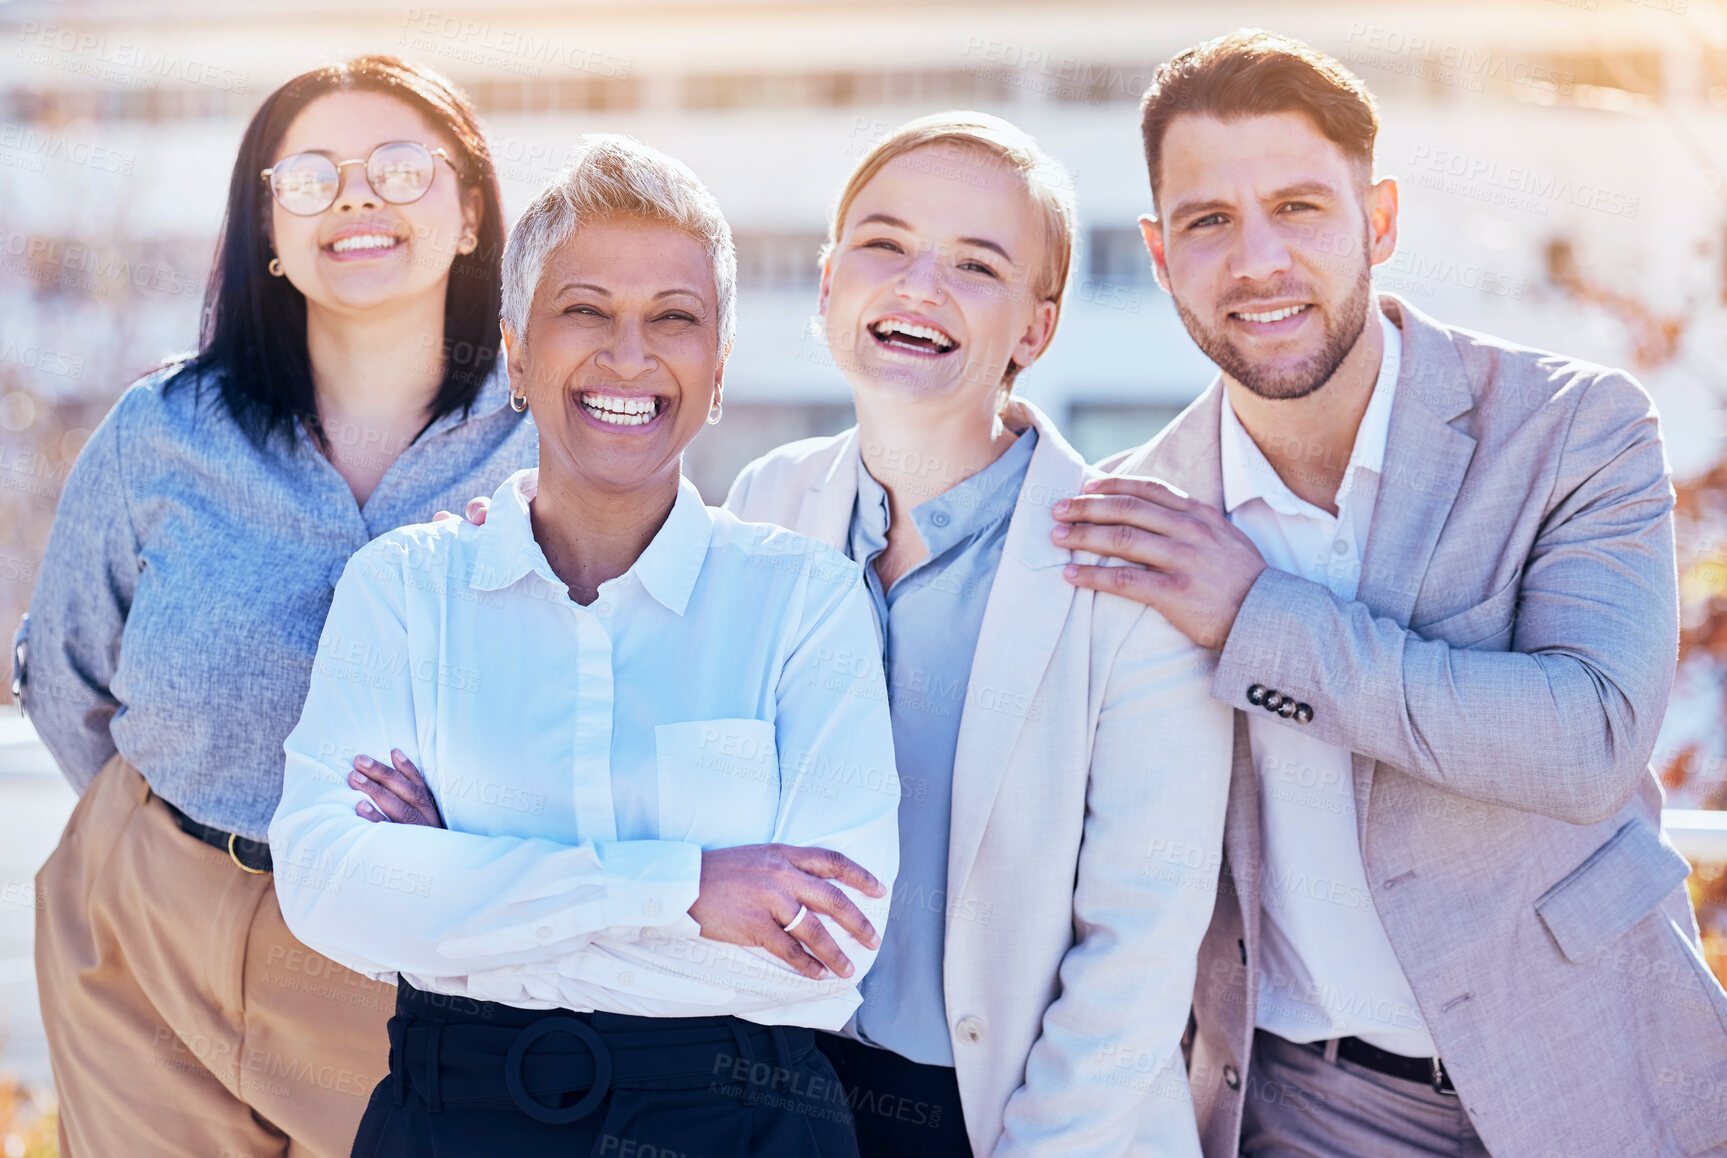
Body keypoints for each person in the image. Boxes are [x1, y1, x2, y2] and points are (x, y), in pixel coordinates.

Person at [1050, 29, 1727, 1158]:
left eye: (1299, 208)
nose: (1256, 260)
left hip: (1600, 1066)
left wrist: (1255, 622)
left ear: (1379, 222)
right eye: (1209, 221)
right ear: (1161, 256)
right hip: (1308, 1111)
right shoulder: (1139, 516)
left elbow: (1586, 740)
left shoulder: (1571, 431)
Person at [271, 134, 900, 1158]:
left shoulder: (803, 604)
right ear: (516, 353)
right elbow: (330, 885)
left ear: (717, 367)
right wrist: (687, 887)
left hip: (741, 1123)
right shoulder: (404, 592)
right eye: (585, 311)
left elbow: (824, 945)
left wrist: (458, 878)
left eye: (673, 320)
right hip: (453, 1118)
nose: (629, 355)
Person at [18, 56, 532, 1158]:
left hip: (413, 968)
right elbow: (65, 674)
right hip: (146, 929)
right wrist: (167, 840)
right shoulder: (162, 430)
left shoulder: (554, 444)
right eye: (309, 177)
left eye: (401, 169)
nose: (355, 198)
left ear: (471, 210)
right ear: (267, 226)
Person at [719, 111, 1233, 1158]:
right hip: (774, 1097)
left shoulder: (1124, 562)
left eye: (975, 264)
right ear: (827, 287)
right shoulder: (765, 501)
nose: (918, 284)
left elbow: (1138, 941)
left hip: (1012, 1115)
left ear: (1034, 331)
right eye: (883, 243)